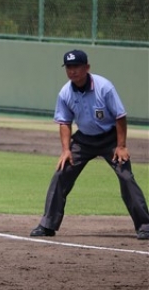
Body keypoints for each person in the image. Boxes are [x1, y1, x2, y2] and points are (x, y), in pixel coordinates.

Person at [30, 49, 149, 240]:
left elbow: (120, 116)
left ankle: (145, 225)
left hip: (110, 139)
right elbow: (64, 122)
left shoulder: (104, 87)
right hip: (83, 140)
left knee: (126, 176)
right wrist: (66, 150)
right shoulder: (65, 92)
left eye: (76, 66)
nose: (72, 71)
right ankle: (47, 225)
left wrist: (121, 146)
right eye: (69, 67)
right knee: (61, 174)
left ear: (87, 67)